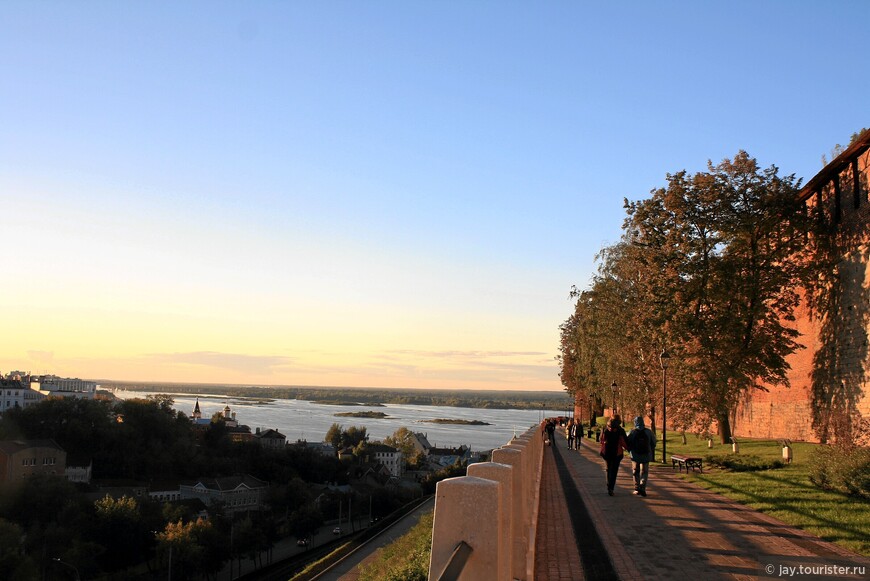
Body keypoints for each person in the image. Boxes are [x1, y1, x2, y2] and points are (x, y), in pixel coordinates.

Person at [626, 416, 656, 496]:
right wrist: (650, 450)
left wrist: (630, 451)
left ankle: (637, 488)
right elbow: (653, 443)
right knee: (644, 472)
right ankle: (643, 487)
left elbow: (627, 443)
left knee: (636, 471)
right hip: (646, 455)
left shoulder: (632, 432)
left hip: (635, 455)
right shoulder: (648, 432)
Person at [599, 415, 628, 495]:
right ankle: (611, 488)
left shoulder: (605, 428)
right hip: (617, 453)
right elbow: (623, 442)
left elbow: (601, 439)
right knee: (614, 471)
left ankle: (609, 484)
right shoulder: (620, 430)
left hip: (606, 452)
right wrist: (628, 448)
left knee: (608, 469)